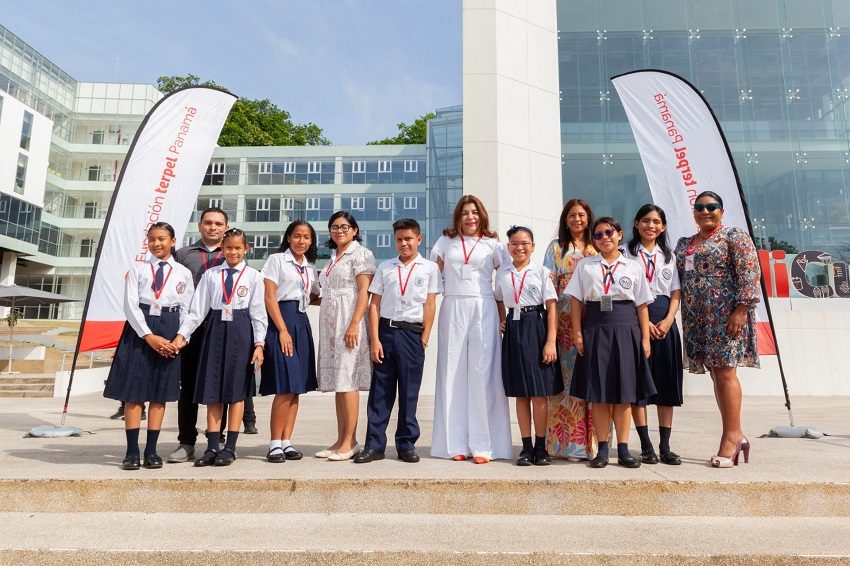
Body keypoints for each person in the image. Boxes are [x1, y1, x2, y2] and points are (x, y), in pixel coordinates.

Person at [674, 191, 759, 468]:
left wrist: (741, 310)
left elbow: (749, 272)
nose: (705, 211)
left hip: (725, 316)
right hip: (698, 318)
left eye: (712, 207)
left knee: (725, 371)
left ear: (722, 211)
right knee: (716, 374)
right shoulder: (685, 243)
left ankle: (732, 438)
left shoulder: (734, 236)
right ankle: (737, 433)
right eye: (700, 207)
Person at [166, 208, 257, 464]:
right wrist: (181, 334)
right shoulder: (184, 255)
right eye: (208, 223)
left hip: (227, 331)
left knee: (225, 389)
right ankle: (186, 442)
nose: (213, 227)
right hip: (193, 330)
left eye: (219, 223)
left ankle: (220, 443)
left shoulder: (236, 257)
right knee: (189, 389)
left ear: (226, 228)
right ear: (200, 225)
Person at [566, 217, 656, 469]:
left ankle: (624, 450)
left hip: (627, 330)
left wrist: (645, 339)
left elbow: (642, 305)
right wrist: (577, 333)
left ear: (619, 234)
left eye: (609, 233)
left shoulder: (633, 266)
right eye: (598, 235)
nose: (604, 238)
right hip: (595, 328)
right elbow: (575, 300)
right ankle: (602, 450)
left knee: (625, 393)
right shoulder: (586, 266)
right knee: (600, 393)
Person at [103, 222, 194, 470]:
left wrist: (180, 338)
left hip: (170, 328)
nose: (157, 244)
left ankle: (151, 451)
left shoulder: (183, 274)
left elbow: (188, 310)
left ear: (173, 241)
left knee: (159, 394)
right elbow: (130, 306)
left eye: (162, 239)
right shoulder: (138, 269)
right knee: (134, 394)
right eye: (152, 239)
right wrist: (148, 336)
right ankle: (132, 451)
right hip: (140, 331)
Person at [430, 195, 512, 463]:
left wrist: (505, 318)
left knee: (483, 375)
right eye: (465, 212)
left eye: (474, 212)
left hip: (483, 307)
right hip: (452, 305)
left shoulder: (493, 245)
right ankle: (455, 444)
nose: (470, 217)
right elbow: (432, 278)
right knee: (451, 372)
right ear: (458, 216)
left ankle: (484, 445)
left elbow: (505, 282)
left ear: (482, 215)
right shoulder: (445, 242)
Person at [355, 219, 441, 464]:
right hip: (386, 333)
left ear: (419, 239)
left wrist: (424, 339)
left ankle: (406, 444)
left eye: (408, 239)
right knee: (380, 392)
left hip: (412, 335)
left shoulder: (429, 269)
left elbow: (430, 304)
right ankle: (374, 445)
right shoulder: (386, 267)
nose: (404, 244)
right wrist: (375, 340)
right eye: (399, 239)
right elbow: (375, 305)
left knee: (409, 392)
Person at [495, 225, 563, 467]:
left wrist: (551, 341)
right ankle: (525, 447)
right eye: (514, 243)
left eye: (524, 243)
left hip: (537, 325)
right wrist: (502, 320)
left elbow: (552, 306)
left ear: (533, 246)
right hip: (514, 330)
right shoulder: (502, 272)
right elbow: (498, 298)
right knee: (521, 393)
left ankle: (540, 447)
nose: (519, 247)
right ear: (508, 247)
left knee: (539, 393)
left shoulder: (541, 272)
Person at [624, 204, 684, 465]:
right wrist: (644, 323)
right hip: (636, 321)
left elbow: (675, 292)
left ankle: (665, 446)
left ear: (664, 227)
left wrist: (669, 320)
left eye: (657, 222)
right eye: (646, 220)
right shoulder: (625, 252)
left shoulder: (669, 256)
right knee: (639, 385)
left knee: (666, 385)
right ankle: (646, 446)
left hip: (665, 323)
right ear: (636, 224)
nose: (651, 226)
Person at [316, 211, 375, 461]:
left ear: (354, 230)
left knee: (348, 380)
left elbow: (364, 291)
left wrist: (354, 323)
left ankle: (351, 441)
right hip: (330, 324)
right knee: (339, 384)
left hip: (349, 321)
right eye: (334, 227)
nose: (339, 231)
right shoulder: (332, 258)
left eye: (344, 227)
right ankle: (341, 439)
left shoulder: (361, 254)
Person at [259, 220, 320, 463]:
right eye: (297, 236)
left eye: (306, 237)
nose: (301, 241)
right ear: (288, 237)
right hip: (281, 322)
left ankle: (286, 442)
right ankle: (274, 443)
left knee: (296, 389)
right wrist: (282, 330)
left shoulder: (309, 266)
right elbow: (269, 296)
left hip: (301, 323)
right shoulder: (276, 260)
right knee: (284, 387)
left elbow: (313, 295)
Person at [544, 199, 599, 461]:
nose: (577, 219)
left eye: (581, 215)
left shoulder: (598, 244)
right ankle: (566, 445)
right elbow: (547, 287)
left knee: (594, 377)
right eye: (572, 215)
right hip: (564, 318)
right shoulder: (555, 248)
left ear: (588, 217)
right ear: (565, 220)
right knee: (565, 382)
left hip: (595, 315)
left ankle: (596, 444)